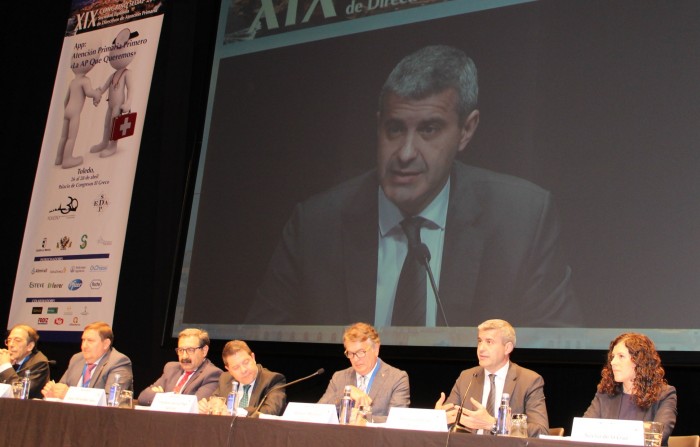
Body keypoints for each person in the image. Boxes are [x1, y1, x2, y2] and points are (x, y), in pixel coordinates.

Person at [248, 44, 578, 328]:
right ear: (378, 125)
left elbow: (550, 346)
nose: (405, 153)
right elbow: (259, 347)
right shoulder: (316, 224)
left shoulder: (521, 220)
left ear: (466, 130)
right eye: (394, 129)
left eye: (429, 129)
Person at [435, 319, 549, 436]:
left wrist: (494, 424)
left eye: (489, 342)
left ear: (507, 348)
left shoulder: (529, 380)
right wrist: (439, 419)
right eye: (480, 341)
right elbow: (449, 418)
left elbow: (541, 431)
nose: (481, 348)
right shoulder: (467, 377)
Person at [583, 333, 676, 445]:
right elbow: (584, 431)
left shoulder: (664, 394)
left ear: (639, 361)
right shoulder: (605, 393)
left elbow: (656, 436)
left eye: (621, 356)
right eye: (613, 357)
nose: (613, 362)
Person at [318, 322, 409, 423]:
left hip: (376, 438)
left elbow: (398, 421)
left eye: (361, 352)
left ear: (376, 349)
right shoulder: (339, 377)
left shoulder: (397, 378)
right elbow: (318, 413)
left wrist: (364, 420)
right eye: (350, 353)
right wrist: (346, 393)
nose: (356, 359)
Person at [41, 321, 132, 399]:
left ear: (106, 343)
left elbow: (111, 399)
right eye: (83, 340)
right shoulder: (77, 359)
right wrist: (53, 392)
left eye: (90, 341)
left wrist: (70, 394)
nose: (84, 346)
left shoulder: (118, 362)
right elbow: (62, 388)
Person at [198, 340, 286, 416]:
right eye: (236, 367)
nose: (243, 370)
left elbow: (271, 411)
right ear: (228, 369)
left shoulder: (273, 380)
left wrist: (236, 411)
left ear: (253, 357)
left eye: (246, 362)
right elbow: (215, 400)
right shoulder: (225, 378)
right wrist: (208, 405)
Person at [138, 328, 222, 406]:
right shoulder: (171, 368)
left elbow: (193, 404)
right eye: (181, 350)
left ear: (204, 351)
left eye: (190, 350)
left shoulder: (212, 374)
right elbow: (143, 397)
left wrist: (161, 397)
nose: (184, 356)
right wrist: (173, 399)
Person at [0, 324, 50, 399]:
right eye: (9, 340)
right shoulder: (5, 358)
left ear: (29, 346)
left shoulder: (40, 363)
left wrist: (6, 366)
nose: (11, 344)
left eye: (17, 340)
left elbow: (21, 393)